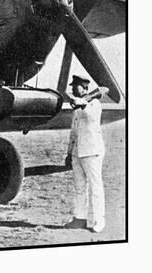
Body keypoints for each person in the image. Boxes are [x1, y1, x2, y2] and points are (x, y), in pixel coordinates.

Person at [64, 75, 106, 233]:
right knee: (79, 187)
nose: (73, 88)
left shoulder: (94, 103)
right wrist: (69, 153)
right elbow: (73, 132)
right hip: (77, 153)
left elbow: (91, 117)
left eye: (75, 86)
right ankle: (80, 218)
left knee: (96, 187)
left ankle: (98, 220)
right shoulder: (77, 106)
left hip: (92, 151)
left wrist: (83, 103)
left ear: (84, 87)